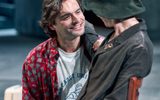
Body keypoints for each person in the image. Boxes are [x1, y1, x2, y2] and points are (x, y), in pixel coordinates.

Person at [22, 0, 103, 99]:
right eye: (66, 16)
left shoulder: (103, 48)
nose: (77, 20)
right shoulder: (35, 60)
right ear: (52, 25)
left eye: (78, 12)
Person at [77, 0, 153, 99]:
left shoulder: (138, 47)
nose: (98, 15)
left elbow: (118, 97)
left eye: (100, 11)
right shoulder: (119, 35)